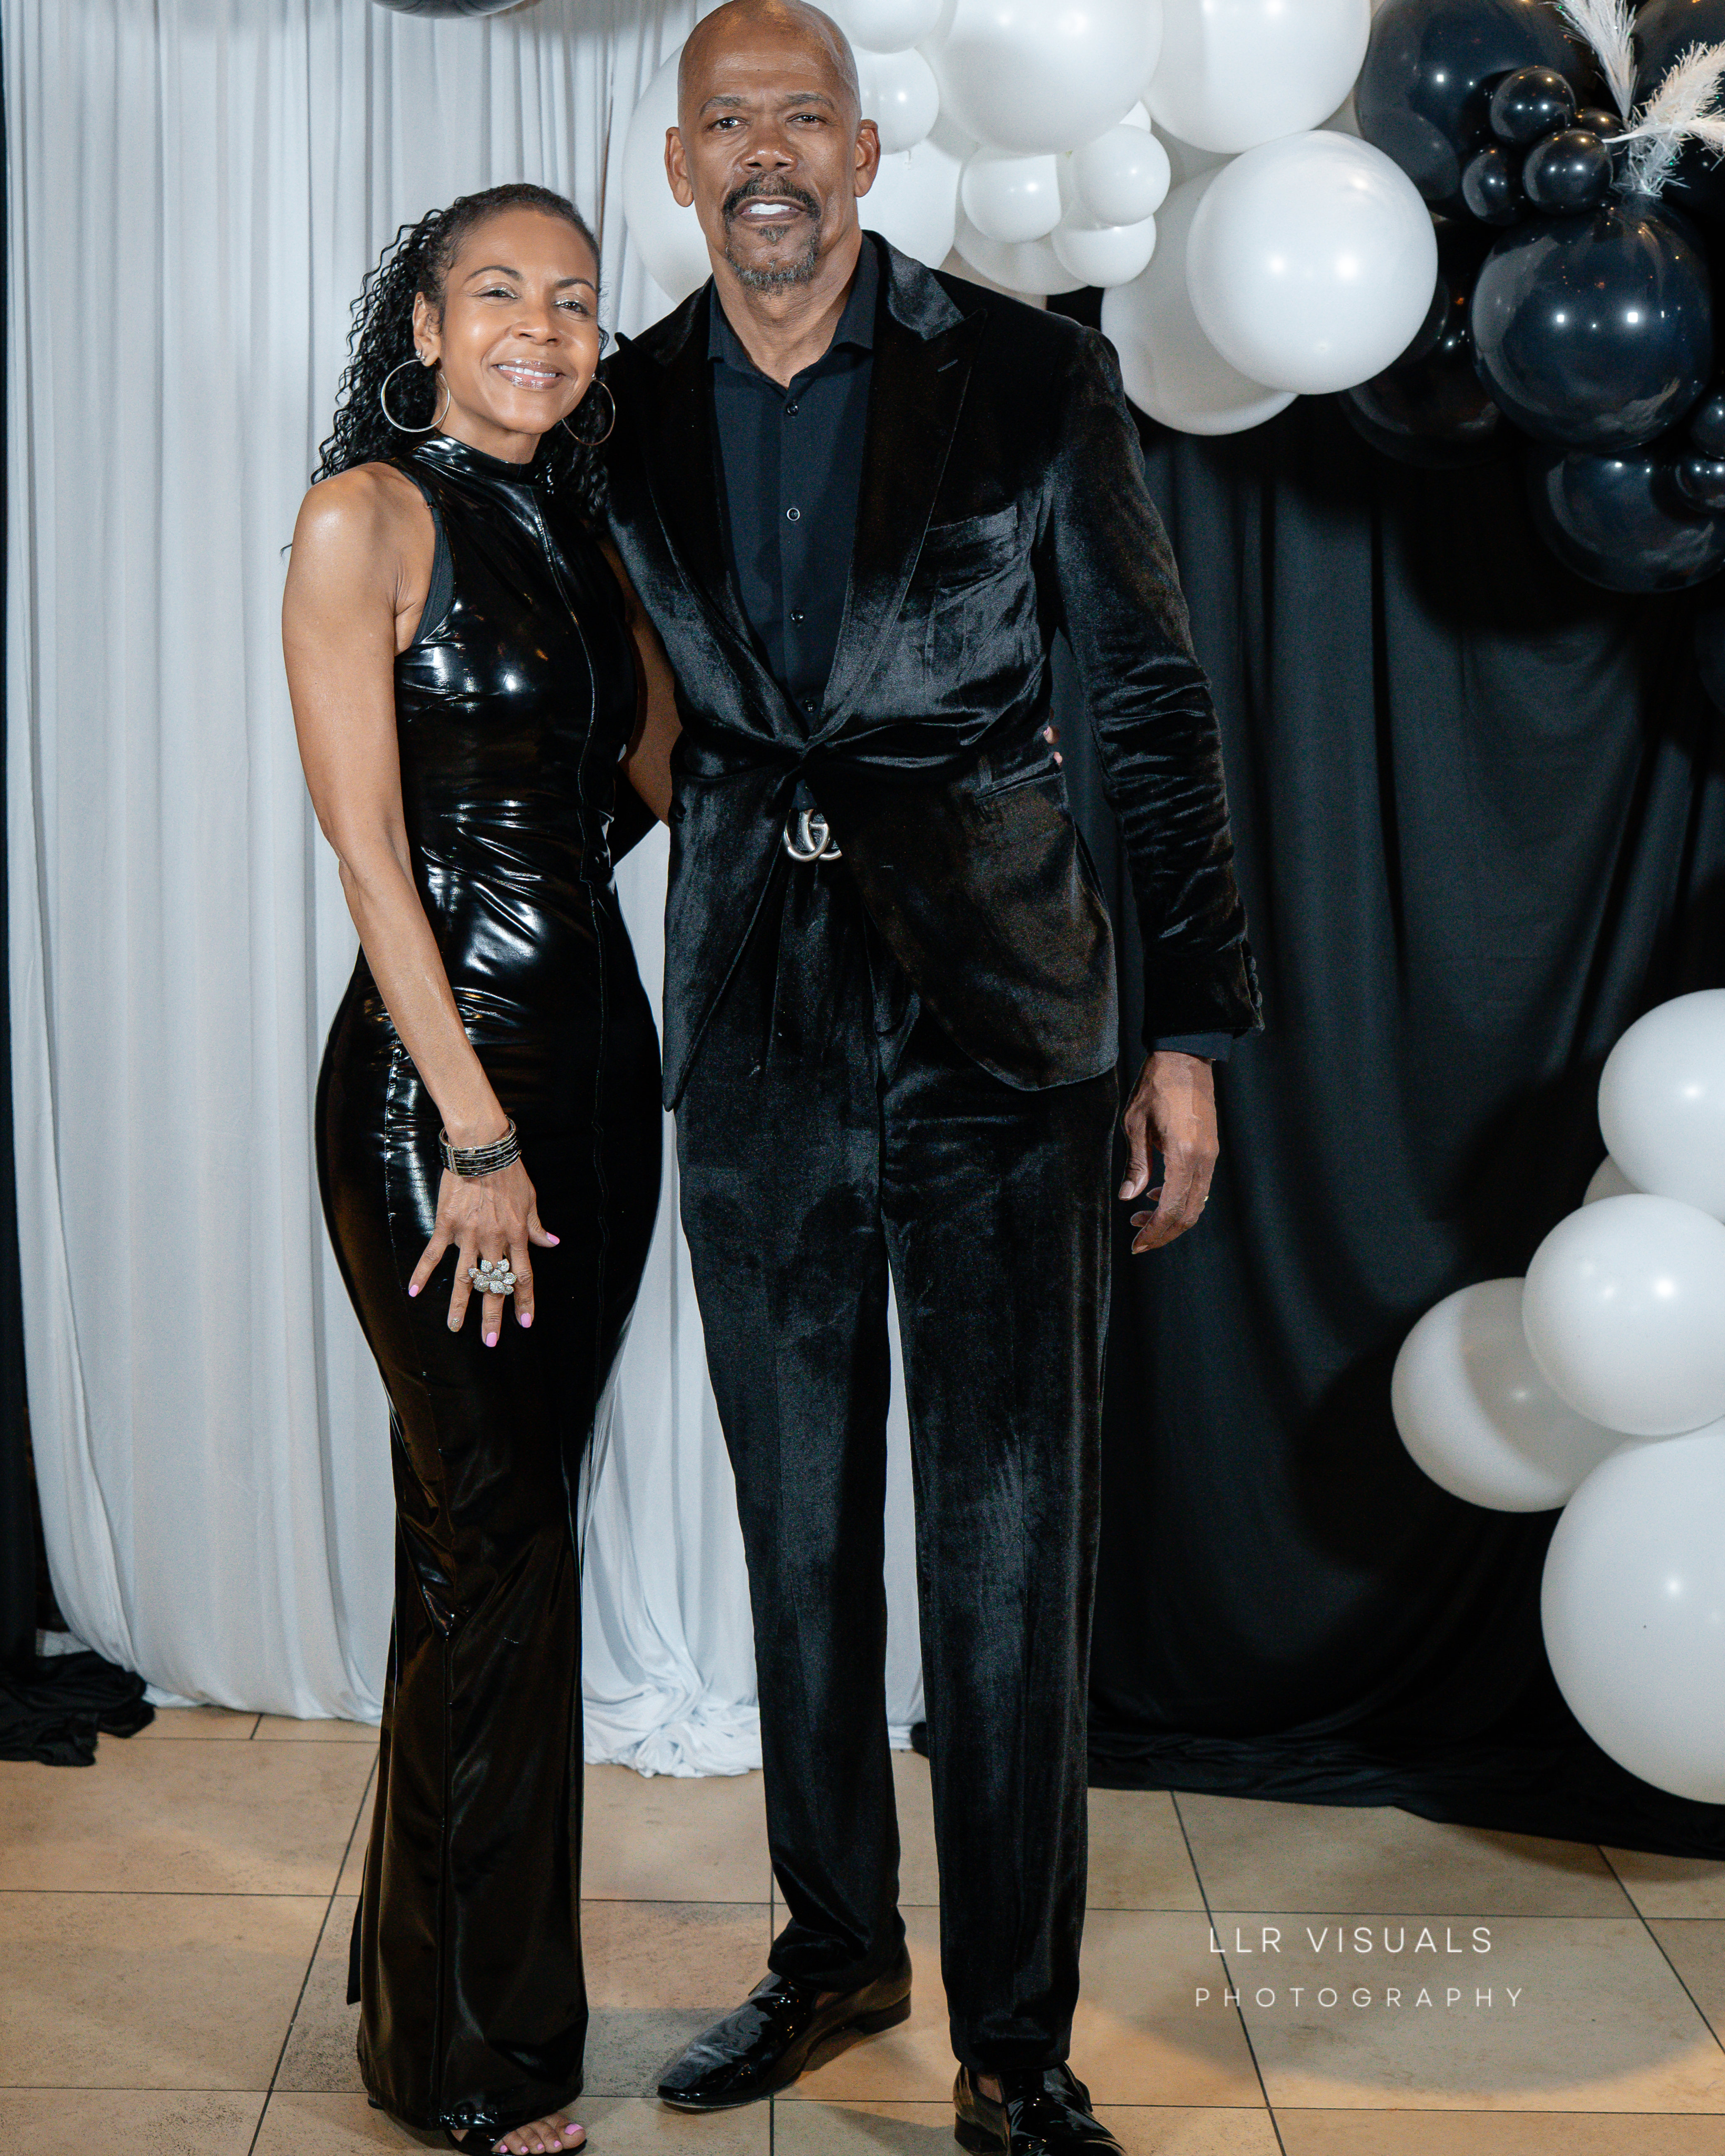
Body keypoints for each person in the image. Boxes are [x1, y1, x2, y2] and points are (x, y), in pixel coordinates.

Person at [601, 6, 1262, 2150]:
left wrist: (1186, 1035)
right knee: (795, 1528)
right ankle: (831, 1953)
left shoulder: (1031, 375)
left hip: (1008, 1026)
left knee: (1004, 1547)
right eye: (726, 121)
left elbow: (1146, 708)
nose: (765, 152)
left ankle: (1012, 2045)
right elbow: (602, 721)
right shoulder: (617, 414)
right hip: (755, 1028)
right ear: (678, 165)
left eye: (801, 115)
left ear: (865, 152)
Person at [283, 183, 677, 2155]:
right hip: (448, 1107)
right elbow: (369, 857)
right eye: (500, 292)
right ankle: (480, 2059)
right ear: (427, 325)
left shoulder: (586, 537)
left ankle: (420, 1995)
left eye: (576, 301)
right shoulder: (364, 518)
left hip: (605, 1086)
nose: (542, 325)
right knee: (498, 1548)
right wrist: (475, 1130)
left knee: (490, 1544)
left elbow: (671, 784)